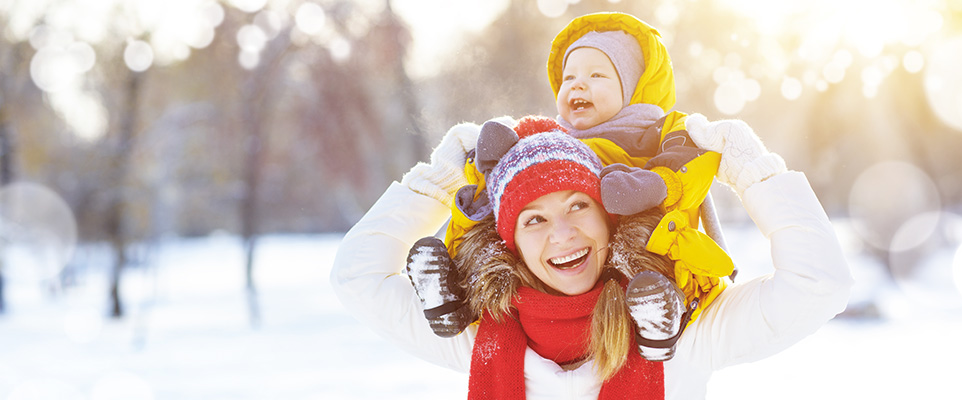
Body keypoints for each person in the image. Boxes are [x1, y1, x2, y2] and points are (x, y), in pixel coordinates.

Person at [330, 112, 854, 399]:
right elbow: (355, 276)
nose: (562, 233)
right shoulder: (478, 338)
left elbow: (818, 285)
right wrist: (438, 182)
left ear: (609, 217)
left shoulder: (682, 334)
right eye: (533, 219)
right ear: (510, 244)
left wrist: (751, 170)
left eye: (578, 205)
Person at [406, 12, 733, 354]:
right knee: (499, 232)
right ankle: (455, 296)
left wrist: (655, 185)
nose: (578, 84)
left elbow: (695, 165)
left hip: (646, 244)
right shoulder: (552, 136)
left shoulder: (659, 131)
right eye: (569, 76)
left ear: (634, 85)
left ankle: (662, 315)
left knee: (648, 237)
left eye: (597, 74)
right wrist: (488, 169)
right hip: (583, 244)